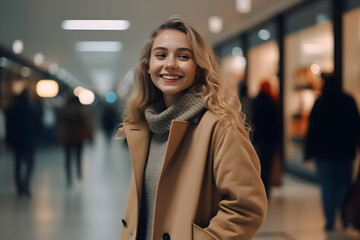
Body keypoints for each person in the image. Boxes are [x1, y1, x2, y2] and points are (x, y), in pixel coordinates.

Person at [118, 16, 267, 240]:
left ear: (198, 68)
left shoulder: (219, 127)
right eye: (160, 55)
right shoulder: (146, 126)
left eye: (183, 56)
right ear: (148, 66)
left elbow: (247, 207)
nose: (170, 64)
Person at [305, 73, 360, 231]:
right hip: (345, 153)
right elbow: (356, 125)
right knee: (344, 185)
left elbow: (313, 130)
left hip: (324, 155)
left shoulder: (320, 103)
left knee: (327, 187)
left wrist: (309, 152)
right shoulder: (348, 101)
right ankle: (344, 217)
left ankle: (330, 220)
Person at [5, 88, 43, 198]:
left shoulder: (13, 108)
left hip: (17, 141)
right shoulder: (33, 108)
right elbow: (39, 125)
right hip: (30, 141)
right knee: (29, 164)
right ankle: (26, 185)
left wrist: (9, 139)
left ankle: (19, 187)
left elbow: (9, 126)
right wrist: (38, 138)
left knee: (18, 164)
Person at [251, 80, 279, 198]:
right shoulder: (272, 102)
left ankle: (258, 189)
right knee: (267, 165)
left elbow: (253, 121)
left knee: (258, 165)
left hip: (258, 139)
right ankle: (265, 189)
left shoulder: (256, 101)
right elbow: (276, 123)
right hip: (269, 140)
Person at [57, 95, 93, 187]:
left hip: (67, 136)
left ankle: (68, 177)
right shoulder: (79, 109)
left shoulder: (63, 109)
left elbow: (59, 123)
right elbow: (85, 123)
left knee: (67, 157)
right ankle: (78, 172)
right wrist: (90, 136)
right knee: (78, 156)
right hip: (78, 136)